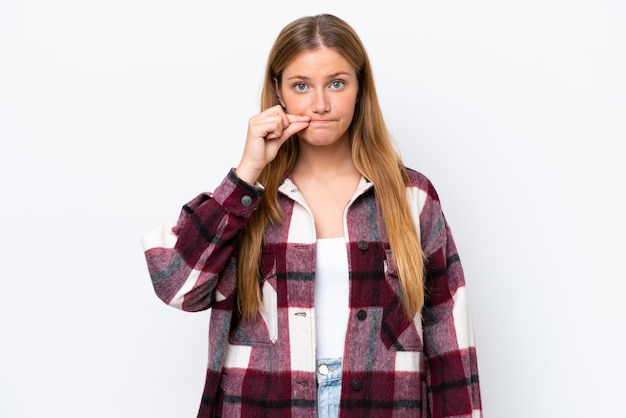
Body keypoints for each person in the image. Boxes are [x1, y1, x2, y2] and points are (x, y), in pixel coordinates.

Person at [142, 13, 482, 418]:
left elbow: (448, 334)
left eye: (336, 83)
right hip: (264, 403)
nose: (320, 104)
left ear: (360, 88)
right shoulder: (248, 199)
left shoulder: (411, 197)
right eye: (301, 86)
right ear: (278, 92)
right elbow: (178, 288)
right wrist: (246, 173)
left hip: (383, 403)